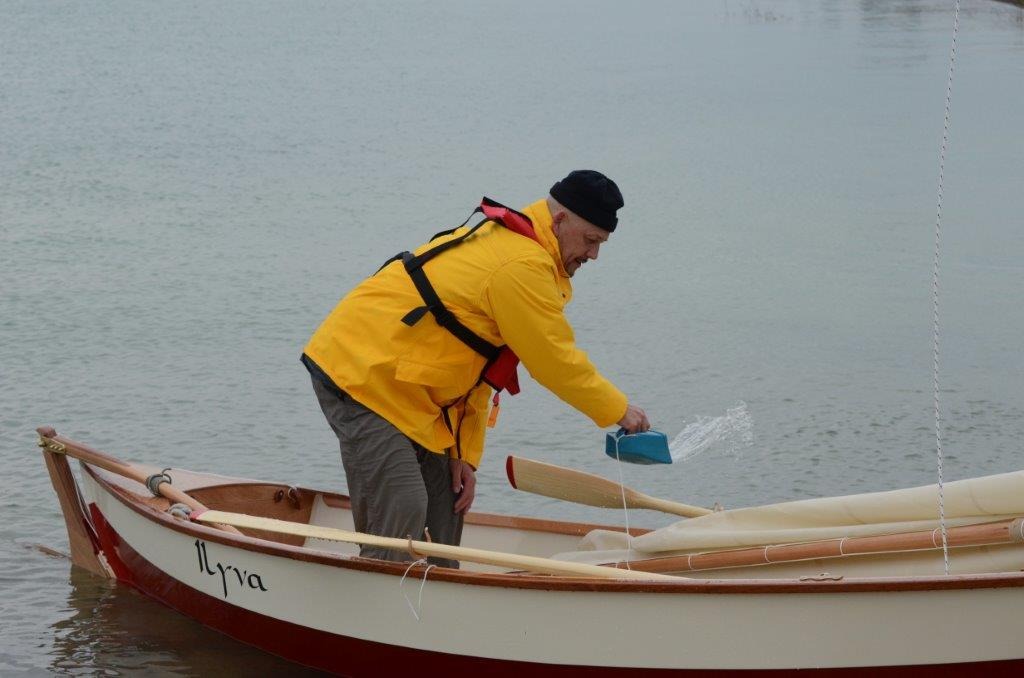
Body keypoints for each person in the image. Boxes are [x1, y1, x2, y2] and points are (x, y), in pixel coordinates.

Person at [301, 170, 650, 566]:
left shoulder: (532, 259)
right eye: (590, 241)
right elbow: (554, 361)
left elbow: (484, 367)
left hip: (411, 390)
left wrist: (464, 455)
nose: (593, 255)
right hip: (360, 372)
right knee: (404, 505)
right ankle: (381, 595)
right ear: (559, 221)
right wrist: (619, 410)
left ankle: (439, 601)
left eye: (601, 244)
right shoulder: (522, 265)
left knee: (449, 502)